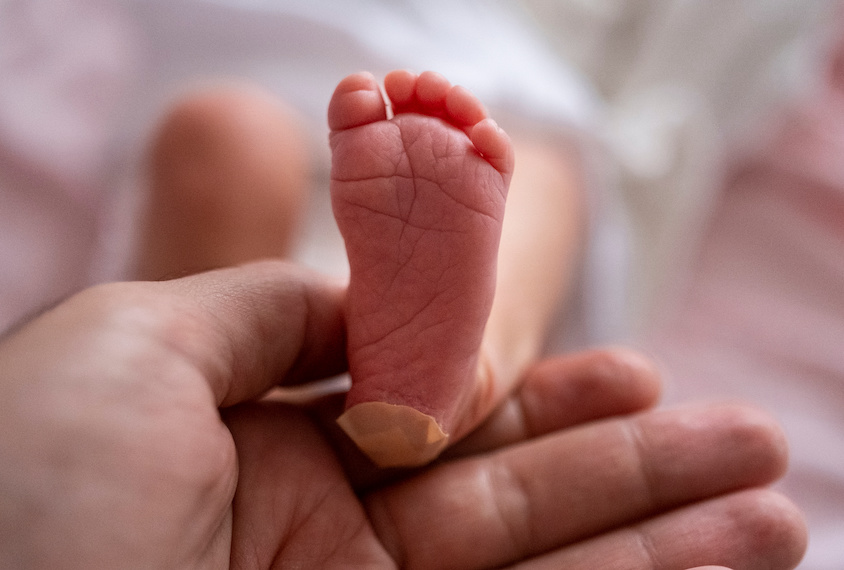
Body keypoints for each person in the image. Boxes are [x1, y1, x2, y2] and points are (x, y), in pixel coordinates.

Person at [0, 68, 808, 568]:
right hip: (481, 90)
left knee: (220, 128)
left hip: (285, 71)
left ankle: (244, 415)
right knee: (548, 170)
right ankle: (439, 391)